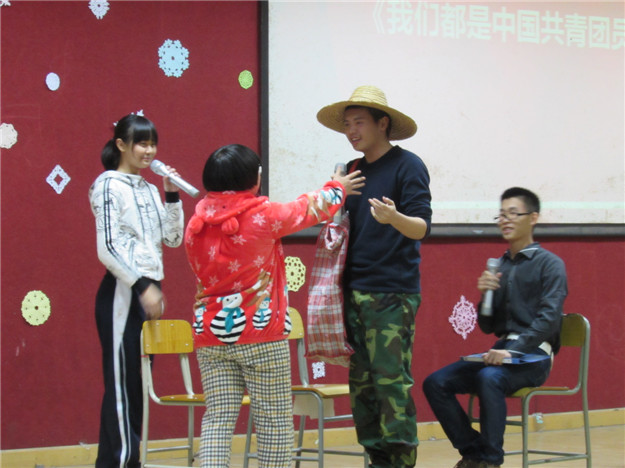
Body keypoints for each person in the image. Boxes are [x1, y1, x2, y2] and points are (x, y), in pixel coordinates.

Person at [184, 143, 365, 468]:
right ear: (254, 179)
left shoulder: (195, 225)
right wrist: (338, 186)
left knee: (217, 419)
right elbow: (306, 209)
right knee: (274, 422)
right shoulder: (261, 215)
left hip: (209, 335)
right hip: (262, 335)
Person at [316, 85, 432, 468]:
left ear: (383, 124)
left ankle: (401, 461)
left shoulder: (408, 165)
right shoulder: (352, 171)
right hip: (354, 290)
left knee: (391, 383)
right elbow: (336, 228)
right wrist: (334, 192)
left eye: (359, 122)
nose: (351, 131)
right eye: (347, 124)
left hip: (392, 293)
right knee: (362, 388)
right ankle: (377, 460)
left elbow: (421, 227)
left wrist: (394, 218)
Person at [422, 187, 568, 468]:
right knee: (436, 382)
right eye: (501, 215)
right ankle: (473, 451)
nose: (505, 220)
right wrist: (485, 296)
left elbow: (549, 319)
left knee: (490, 377)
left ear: (533, 218)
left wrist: (513, 350)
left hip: (535, 355)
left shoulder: (550, 265)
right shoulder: (499, 265)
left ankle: (491, 460)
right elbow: (488, 327)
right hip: (502, 350)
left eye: (513, 214)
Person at [89, 114, 184, 468]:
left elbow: (172, 239)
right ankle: (124, 462)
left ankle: (115, 461)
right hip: (123, 290)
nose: (149, 151)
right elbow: (108, 248)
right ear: (121, 145)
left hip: (146, 291)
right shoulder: (107, 185)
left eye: (153, 144)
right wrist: (143, 286)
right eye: (142, 143)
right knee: (122, 386)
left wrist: (171, 195)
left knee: (134, 384)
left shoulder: (148, 188)